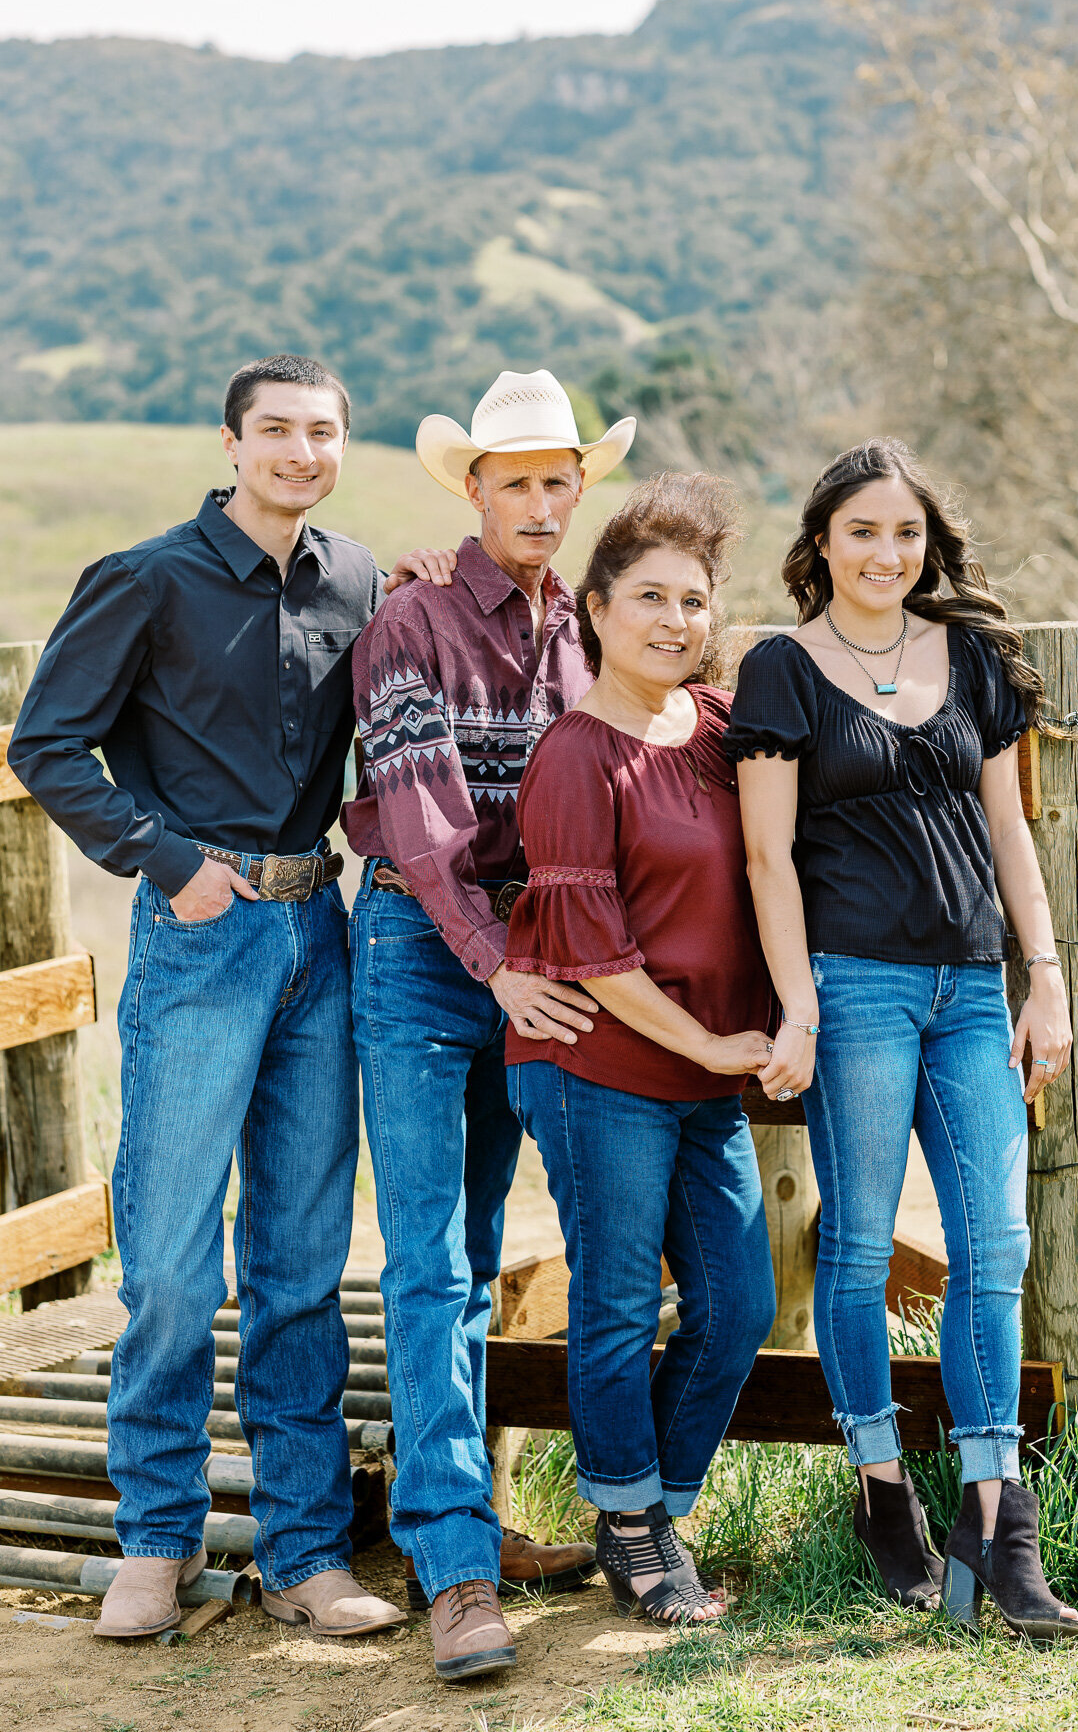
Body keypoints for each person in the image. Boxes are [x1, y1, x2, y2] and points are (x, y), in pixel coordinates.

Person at [7, 355, 404, 1640]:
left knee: (297, 1261)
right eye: (276, 430)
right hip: (201, 935)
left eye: (322, 431)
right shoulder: (146, 578)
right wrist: (170, 866)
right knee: (172, 1262)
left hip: (321, 934)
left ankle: (303, 1555)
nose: (301, 450)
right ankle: (156, 1543)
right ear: (230, 441)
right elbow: (45, 744)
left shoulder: (357, 581)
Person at [726, 437, 1078, 1640]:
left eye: (908, 534)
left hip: (973, 991)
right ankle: (883, 1487)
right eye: (865, 531)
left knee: (997, 1241)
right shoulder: (780, 669)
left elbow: (1011, 831)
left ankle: (998, 1514)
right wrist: (800, 1002)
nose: (888, 554)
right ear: (821, 541)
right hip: (857, 987)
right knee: (861, 1245)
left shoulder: (973, 659)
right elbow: (767, 854)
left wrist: (1045, 978)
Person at [343, 370, 636, 1682]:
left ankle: (498, 1521)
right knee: (427, 1259)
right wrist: (493, 962)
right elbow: (421, 820)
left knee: (502, 1239)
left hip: (537, 956)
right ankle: (456, 1572)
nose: (536, 499)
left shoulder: (591, 626)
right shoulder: (408, 620)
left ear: (581, 489)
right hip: (422, 944)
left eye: (556, 478)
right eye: (512, 479)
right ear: (473, 490)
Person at [503, 473, 777, 1625]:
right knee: (617, 1301)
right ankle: (633, 1528)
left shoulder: (720, 731)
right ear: (595, 612)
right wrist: (718, 1050)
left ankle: (649, 1506)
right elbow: (603, 962)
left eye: (695, 600)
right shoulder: (575, 756)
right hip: (596, 1066)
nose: (674, 621)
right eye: (649, 597)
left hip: (696, 1065)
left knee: (739, 1304)